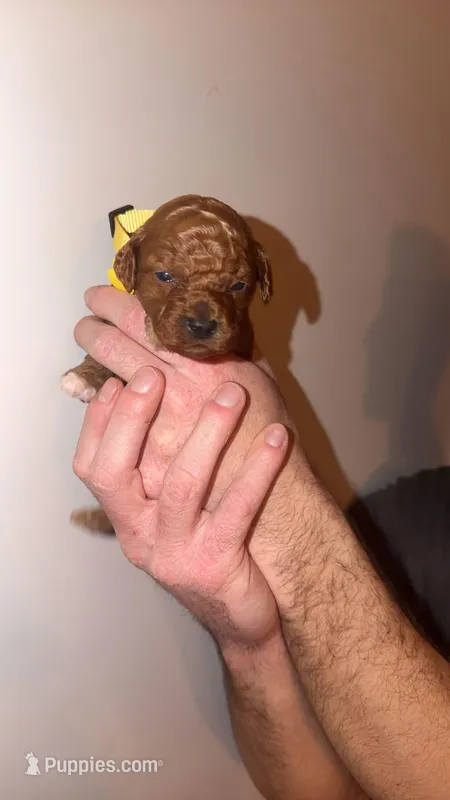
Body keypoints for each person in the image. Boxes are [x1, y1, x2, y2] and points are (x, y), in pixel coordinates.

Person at [72, 285, 450, 800]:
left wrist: (285, 508)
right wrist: (252, 642)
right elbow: (321, 794)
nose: (374, 334)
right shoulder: (409, 527)